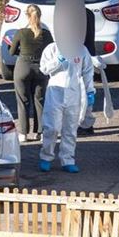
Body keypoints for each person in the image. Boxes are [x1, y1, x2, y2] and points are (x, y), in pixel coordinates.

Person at [38, 40, 95, 174]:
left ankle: (67, 160)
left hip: (74, 93)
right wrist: (58, 60)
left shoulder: (81, 50)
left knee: (70, 129)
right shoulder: (51, 48)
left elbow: (87, 71)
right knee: (51, 127)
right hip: (55, 93)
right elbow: (44, 69)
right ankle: (46, 157)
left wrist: (90, 91)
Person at [8, 4, 52, 142]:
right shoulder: (46, 34)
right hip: (41, 68)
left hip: (23, 67)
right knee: (40, 100)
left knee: (23, 101)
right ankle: (41, 132)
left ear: (27, 16)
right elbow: (51, 50)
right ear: (40, 16)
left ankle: (23, 133)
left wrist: (18, 49)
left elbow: (11, 52)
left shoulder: (21, 32)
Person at [78, 7, 99, 136]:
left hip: (78, 56)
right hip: (89, 54)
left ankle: (84, 123)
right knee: (87, 91)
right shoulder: (89, 13)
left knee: (80, 93)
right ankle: (86, 122)